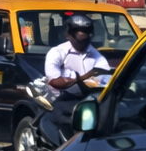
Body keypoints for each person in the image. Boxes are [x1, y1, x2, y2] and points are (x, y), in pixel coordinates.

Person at [42, 14, 111, 142]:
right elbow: (54, 81)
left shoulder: (97, 56)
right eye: (78, 34)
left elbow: (105, 77)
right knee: (64, 115)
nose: (82, 37)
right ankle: (63, 146)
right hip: (61, 98)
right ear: (69, 35)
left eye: (86, 34)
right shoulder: (57, 52)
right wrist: (78, 79)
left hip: (88, 98)